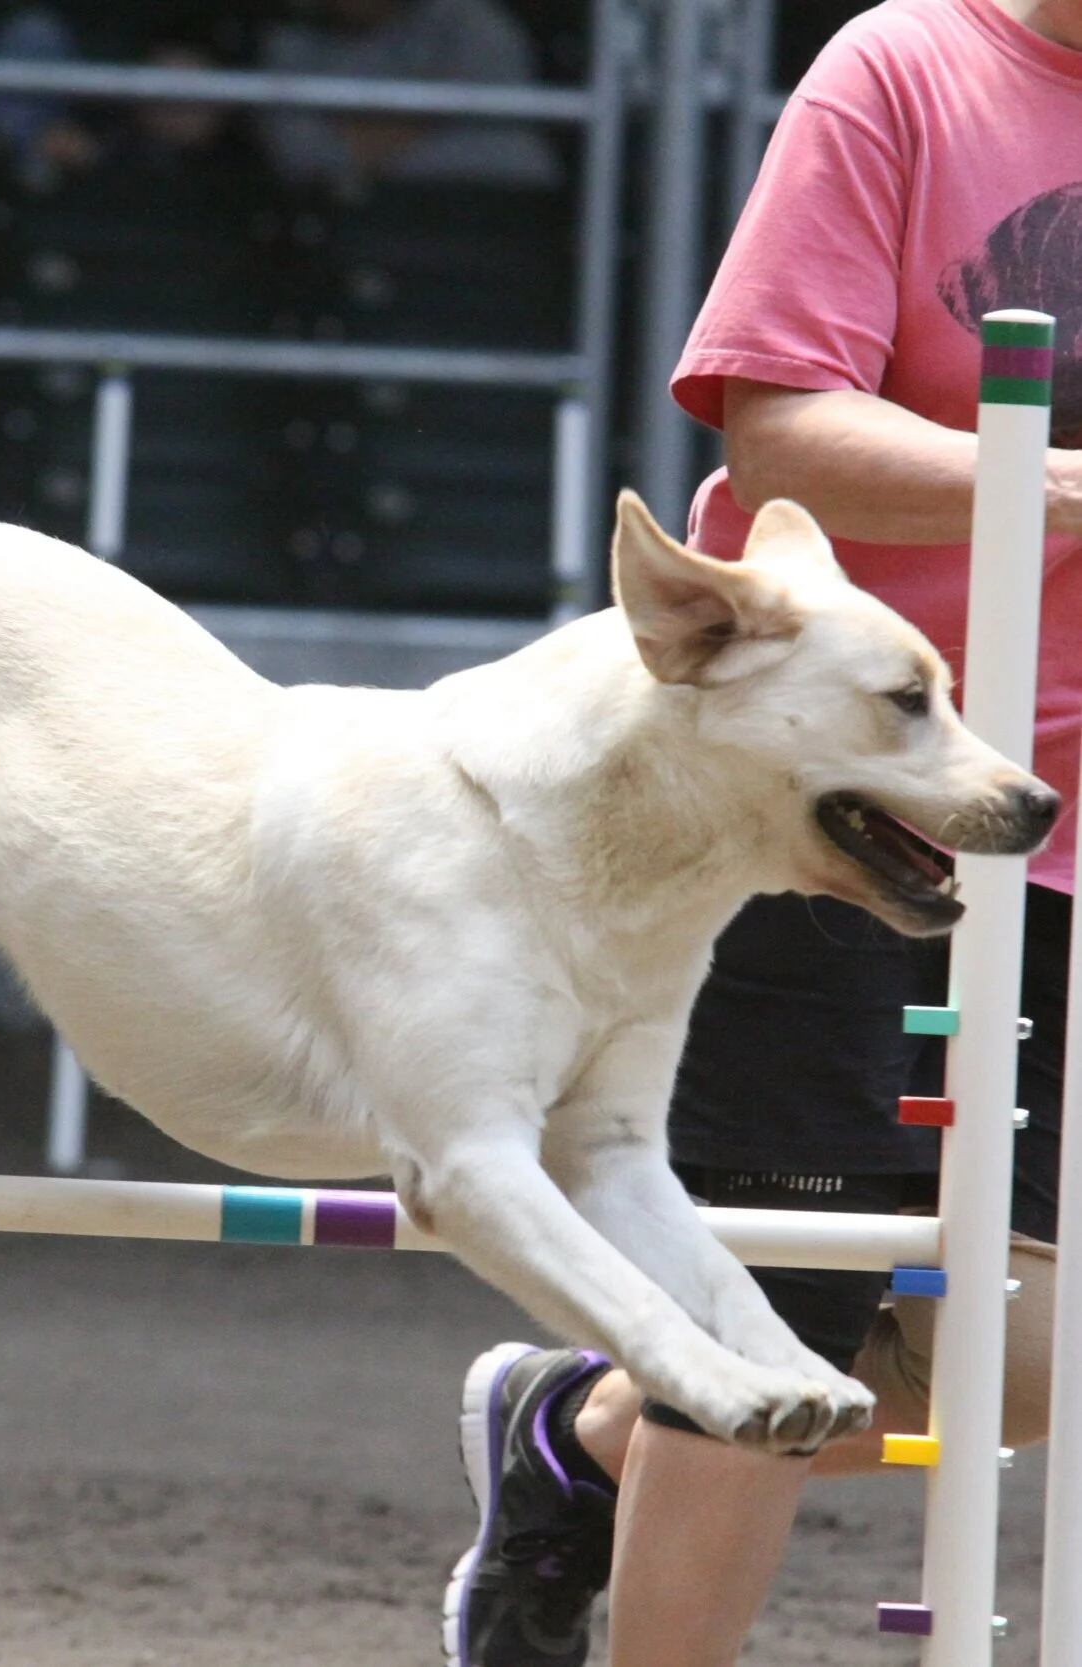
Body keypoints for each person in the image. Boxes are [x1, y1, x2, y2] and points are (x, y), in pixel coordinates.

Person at [442, 1, 1082, 1662]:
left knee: (1025, 1355)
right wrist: (1057, 483)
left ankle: (575, 1434)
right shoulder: (905, 71)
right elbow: (780, 429)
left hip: (1064, 827)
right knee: (775, 1295)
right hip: (840, 796)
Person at [255, 0, 562, 191]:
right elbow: (301, 155)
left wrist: (366, 140)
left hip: (483, 227)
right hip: (344, 232)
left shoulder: (472, 22)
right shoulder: (292, 39)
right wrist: (431, 112)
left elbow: (517, 157)